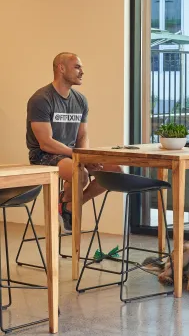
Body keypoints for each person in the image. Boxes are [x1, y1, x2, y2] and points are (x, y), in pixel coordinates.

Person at [26, 52, 120, 232]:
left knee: (114, 171)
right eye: (77, 67)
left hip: (71, 155)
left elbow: (82, 135)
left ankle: (69, 206)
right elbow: (45, 143)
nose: (82, 72)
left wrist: (85, 156)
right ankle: (67, 204)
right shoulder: (41, 99)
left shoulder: (80, 100)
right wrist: (80, 157)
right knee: (81, 174)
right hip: (44, 156)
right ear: (61, 68)